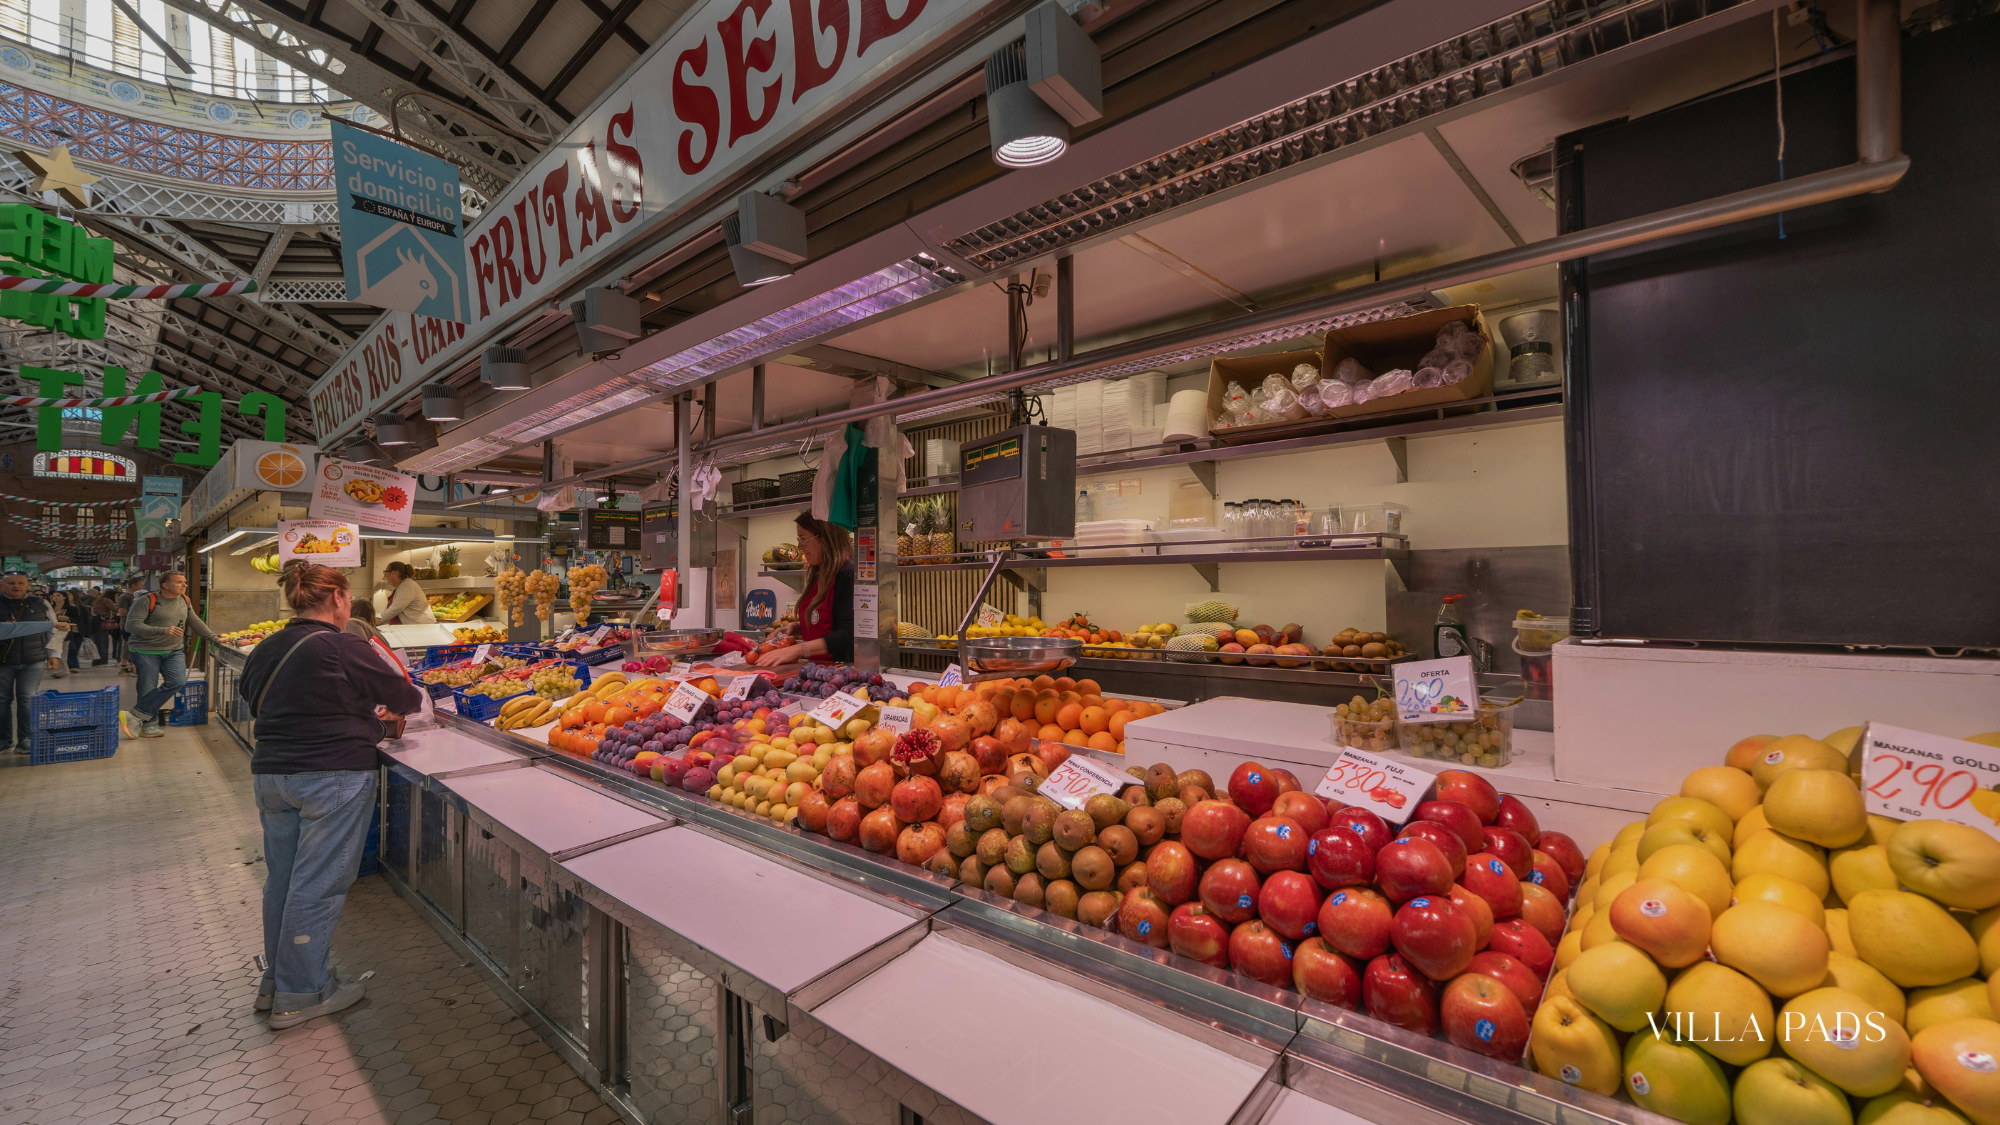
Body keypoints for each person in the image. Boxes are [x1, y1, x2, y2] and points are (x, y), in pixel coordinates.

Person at [242, 562, 421, 1027]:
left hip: (271, 776)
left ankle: (277, 982)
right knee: (317, 885)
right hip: (331, 775)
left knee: (282, 880)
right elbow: (404, 697)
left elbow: (255, 695)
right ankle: (302, 994)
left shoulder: (268, 645)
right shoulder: (342, 646)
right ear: (340, 599)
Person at [121, 571, 221, 738]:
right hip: (146, 650)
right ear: (165, 585)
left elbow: (194, 621)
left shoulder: (184, 600)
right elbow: (131, 626)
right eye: (179, 582)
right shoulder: (146, 601)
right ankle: (149, 726)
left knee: (177, 682)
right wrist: (163, 630)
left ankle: (135, 715)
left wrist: (213, 638)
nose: (184, 585)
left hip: (173, 650)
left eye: (185, 582)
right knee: (147, 688)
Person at [755, 514, 854, 667]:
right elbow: (825, 621)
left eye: (803, 539)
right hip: (816, 670)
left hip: (838, 673)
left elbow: (849, 634)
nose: (800, 547)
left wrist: (798, 650)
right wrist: (795, 628)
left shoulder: (848, 574)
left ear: (824, 538)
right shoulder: (818, 574)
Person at [0, 572, 59, 753]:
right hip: (3, 662)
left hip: (33, 660)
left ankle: (26, 739)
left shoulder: (40, 603)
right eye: (10, 583)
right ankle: (4, 740)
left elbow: (54, 629)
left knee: (27, 699)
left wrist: (54, 654)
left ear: (28, 585)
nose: (15, 586)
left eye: (20, 583)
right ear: (2, 585)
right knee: (2, 700)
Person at [114, 575, 145, 672]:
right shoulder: (125, 596)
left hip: (139, 624)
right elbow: (122, 612)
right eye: (141, 585)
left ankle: (133, 664)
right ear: (133, 586)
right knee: (127, 644)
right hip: (127, 624)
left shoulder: (142, 596)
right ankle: (124, 665)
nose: (143, 587)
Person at [86, 588, 113, 666]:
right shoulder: (106, 600)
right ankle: (102, 660)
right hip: (101, 621)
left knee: (97, 641)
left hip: (93, 621)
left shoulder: (96, 600)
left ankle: (96, 660)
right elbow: (114, 609)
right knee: (103, 641)